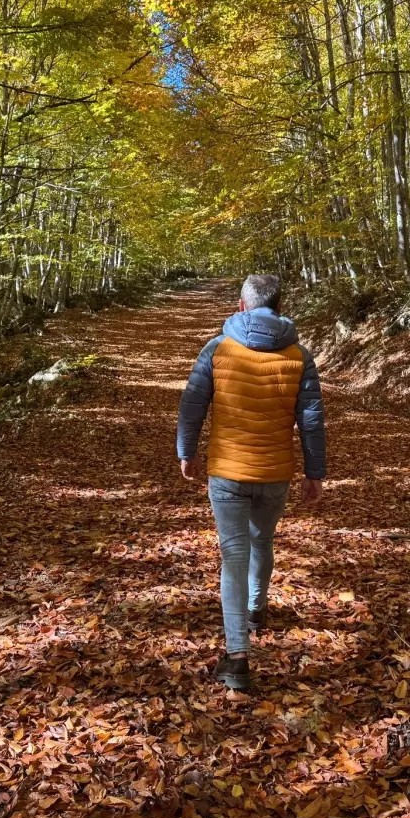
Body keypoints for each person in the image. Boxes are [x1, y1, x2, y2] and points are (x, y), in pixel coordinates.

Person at [176, 274, 326, 691]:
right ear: (279, 306)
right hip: (275, 472)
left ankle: (237, 656)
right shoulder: (299, 355)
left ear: (241, 305)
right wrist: (314, 473)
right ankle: (256, 609)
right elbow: (312, 420)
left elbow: (192, 404)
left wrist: (187, 452)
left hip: (227, 471)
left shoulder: (218, 348)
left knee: (234, 556)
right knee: (262, 542)